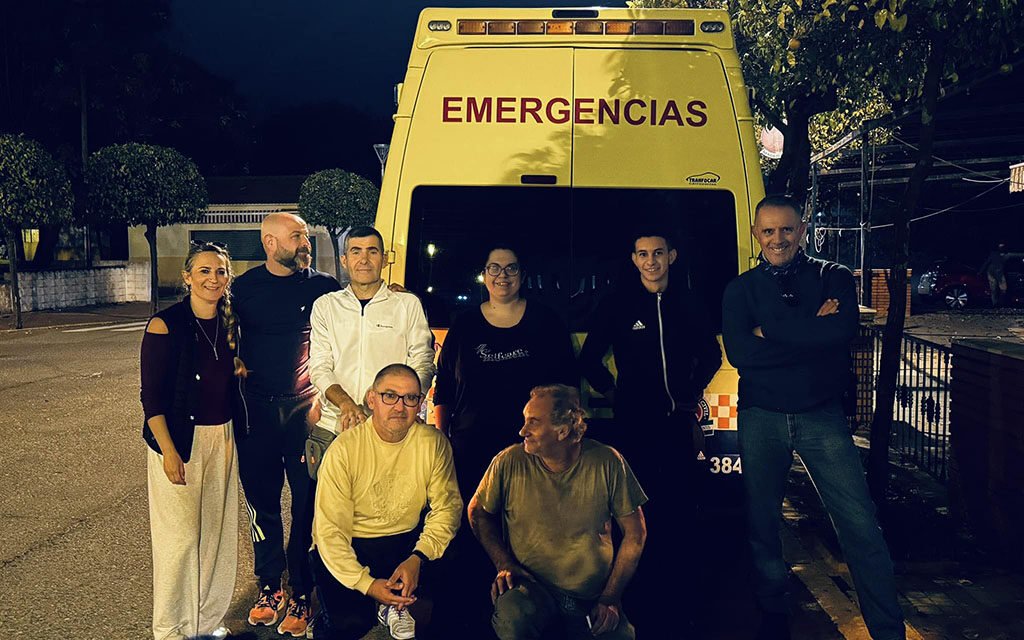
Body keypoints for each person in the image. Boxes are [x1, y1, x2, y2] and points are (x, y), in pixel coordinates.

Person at [721, 195, 905, 640]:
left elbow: (841, 331)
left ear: (802, 230)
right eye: (768, 231)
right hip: (760, 417)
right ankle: (774, 613)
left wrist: (771, 331)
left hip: (821, 417)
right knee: (762, 523)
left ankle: (887, 630)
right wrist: (810, 327)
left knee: (860, 524)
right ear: (756, 235)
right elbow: (741, 352)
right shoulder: (740, 289)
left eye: (786, 229)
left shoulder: (833, 275)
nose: (778, 239)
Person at [578, 226, 721, 632]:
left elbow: (710, 354)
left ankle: (676, 600)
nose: (651, 261)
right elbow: (589, 360)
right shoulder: (618, 303)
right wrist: (615, 393)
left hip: (676, 424)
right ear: (634, 260)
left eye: (658, 253)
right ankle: (634, 594)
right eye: (643, 254)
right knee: (632, 513)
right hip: (632, 426)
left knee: (677, 511)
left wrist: (689, 392)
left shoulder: (689, 302)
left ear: (671, 256)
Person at [433, 243, 577, 636]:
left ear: (522, 276)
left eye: (511, 268)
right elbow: (444, 389)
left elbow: (567, 388)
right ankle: (474, 616)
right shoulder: (464, 325)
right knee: (475, 528)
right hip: (472, 449)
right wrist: (443, 442)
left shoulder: (546, 322)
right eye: (494, 268)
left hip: (533, 453)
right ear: (484, 274)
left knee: (530, 530)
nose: (502, 275)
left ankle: (526, 606)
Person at [231, 212, 341, 636]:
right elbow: (219, 328)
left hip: (304, 410)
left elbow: (356, 316)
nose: (305, 243)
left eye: (307, 236)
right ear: (270, 244)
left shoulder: (325, 287)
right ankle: (269, 586)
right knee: (262, 502)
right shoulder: (244, 289)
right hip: (255, 412)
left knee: (307, 502)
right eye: (297, 236)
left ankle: (301, 590)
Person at [469, 384, 647, 640]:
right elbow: (477, 512)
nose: (522, 431)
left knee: (621, 635)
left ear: (562, 431)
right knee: (512, 617)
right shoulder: (508, 461)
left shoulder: (607, 461)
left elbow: (635, 534)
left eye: (533, 422)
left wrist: (610, 597)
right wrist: (503, 563)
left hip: (590, 596)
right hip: (530, 589)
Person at [140, 242, 246, 640]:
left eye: (220, 271)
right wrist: (169, 452)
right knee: (179, 540)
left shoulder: (230, 323)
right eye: (203, 271)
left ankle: (204, 622)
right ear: (187, 277)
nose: (212, 279)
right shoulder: (164, 325)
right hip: (179, 441)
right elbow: (151, 396)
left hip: (224, 436)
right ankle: (170, 629)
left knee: (215, 534)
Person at [310, 364, 462, 640]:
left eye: (410, 398)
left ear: (419, 402)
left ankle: (393, 604)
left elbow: (447, 508)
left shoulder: (433, 443)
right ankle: (339, 611)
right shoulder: (343, 450)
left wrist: (418, 557)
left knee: (450, 602)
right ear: (372, 399)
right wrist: (367, 584)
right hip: (354, 541)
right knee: (349, 625)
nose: (400, 407)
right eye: (389, 396)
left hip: (406, 540)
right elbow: (330, 532)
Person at [308, 225, 435, 439]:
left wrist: (405, 405)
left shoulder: (407, 304)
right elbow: (319, 366)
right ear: (344, 260)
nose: (364, 260)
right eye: (356, 251)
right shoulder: (326, 306)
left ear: (384, 259)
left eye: (372, 252)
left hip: (392, 428)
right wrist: (345, 404)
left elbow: (423, 362)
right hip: (335, 427)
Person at [980, 243, 1009, 307]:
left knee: (1003, 289)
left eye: (1002, 247)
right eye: (1000, 247)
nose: (1001, 248)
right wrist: (980, 271)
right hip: (992, 273)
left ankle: (1000, 303)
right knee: (994, 289)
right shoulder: (994, 254)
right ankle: (995, 303)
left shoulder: (1006, 255)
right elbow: (987, 262)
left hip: (1000, 273)